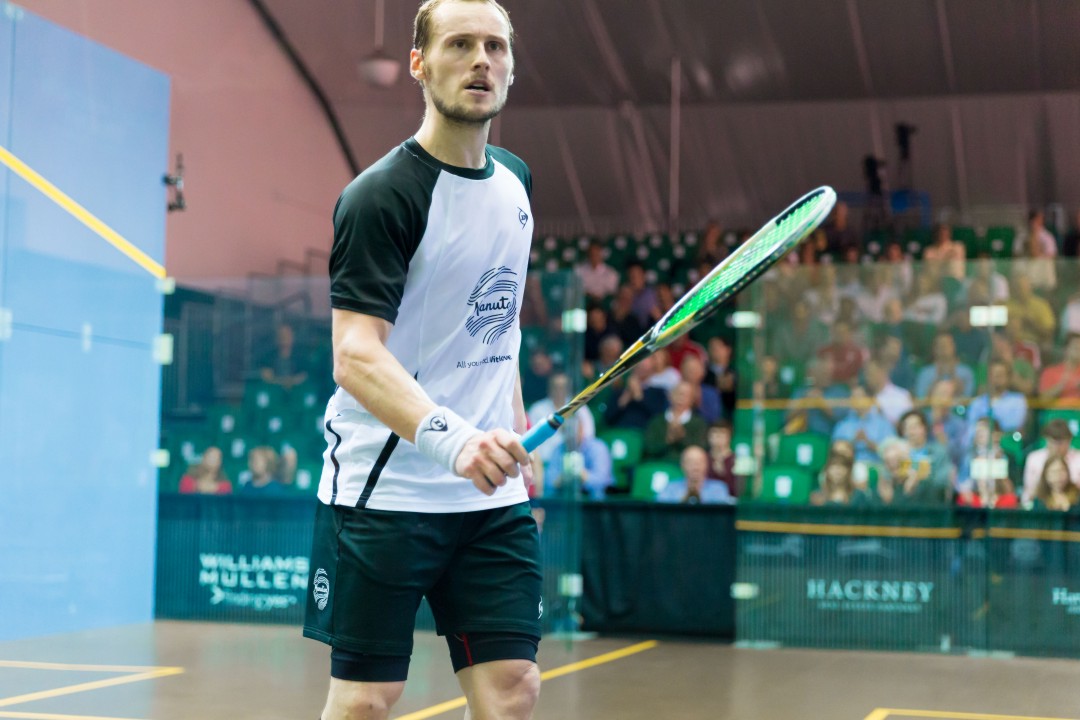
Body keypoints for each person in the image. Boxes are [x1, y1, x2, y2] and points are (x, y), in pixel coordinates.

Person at [303, 3, 542, 717]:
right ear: (419, 63)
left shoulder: (516, 181)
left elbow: (497, 322)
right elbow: (355, 356)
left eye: (495, 46)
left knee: (513, 688)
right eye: (460, 44)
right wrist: (456, 441)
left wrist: (513, 429)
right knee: (366, 701)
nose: (482, 60)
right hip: (386, 491)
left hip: (487, 495)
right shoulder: (382, 196)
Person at [643, 381, 708, 464]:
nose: (681, 398)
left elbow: (700, 450)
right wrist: (667, 440)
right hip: (659, 465)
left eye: (685, 395)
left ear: (692, 399)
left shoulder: (699, 423)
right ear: (669, 396)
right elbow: (649, 448)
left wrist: (682, 437)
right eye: (678, 394)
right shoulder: (656, 421)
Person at [831, 385, 896, 465]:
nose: (855, 401)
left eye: (859, 397)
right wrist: (853, 442)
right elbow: (836, 452)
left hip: (878, 466)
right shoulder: (843, 425)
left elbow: (892, 451)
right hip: (849, 467)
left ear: (869, 399)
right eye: (853, 398)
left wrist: (867, 442)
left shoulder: (883, 424)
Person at [1021, 419, 1080, 502]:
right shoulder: (1034, 459)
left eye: (1061, 443)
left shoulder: (1078, 459)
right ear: (1046, 439)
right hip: (1042, 503)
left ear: (1069, 440)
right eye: (1054, 442)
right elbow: (1028, 489)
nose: (1057, 447)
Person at [966, 360, 1029, 435]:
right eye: (993, 374)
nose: (997, 378)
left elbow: (1013, 428)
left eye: (1000, 374)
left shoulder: (1018, 401)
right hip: (980, 440)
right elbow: (970, 431)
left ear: (1008, 378)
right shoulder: (977, 403)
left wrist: (990, 422)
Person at [655, 445, 732, 504]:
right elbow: (660, 512)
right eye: (691, 462)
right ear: (682, 465)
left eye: (699, 462)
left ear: (706, 465)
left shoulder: (718, 489)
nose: (695, 466)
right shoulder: (669, 489)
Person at [914, 332, 975, 399]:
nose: (943, 348)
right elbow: (921, 399)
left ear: (954, 346)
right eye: (940, 345)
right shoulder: (925, 373)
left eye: (947, 344)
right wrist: (938, 377)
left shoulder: (966, 372)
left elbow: (968, 398)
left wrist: (953, 376)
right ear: (934, 349)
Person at [259, 323, 310, 390]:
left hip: (297, 392)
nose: (284, 338)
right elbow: (266, 376)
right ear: (276, 338)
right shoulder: (267, 358)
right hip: (274, 391)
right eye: (281, 335)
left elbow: (304, 376)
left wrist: (290, 382)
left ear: (293, 337)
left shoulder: (302, 357)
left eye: (287, 335)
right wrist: (284, 382)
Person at [1038, 334, 1080, 402]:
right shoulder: (1050, 372)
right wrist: (1061, 386)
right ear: (1066, 349)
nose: (1078, 351)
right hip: (1057, 408)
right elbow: (1042, 400)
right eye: (1076, 347)